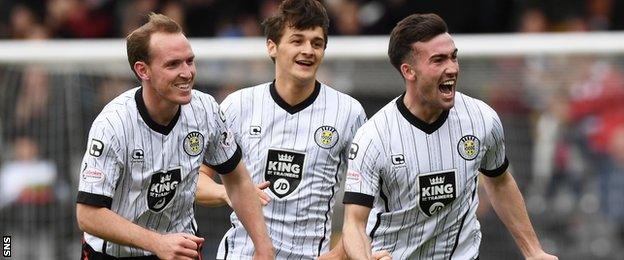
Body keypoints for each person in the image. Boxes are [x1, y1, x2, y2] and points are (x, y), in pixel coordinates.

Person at [341, 13, 558, 260]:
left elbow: (499, 181)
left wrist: (533, 252)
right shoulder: (374, 136)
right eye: (438, 60)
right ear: (409, 71)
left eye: (453, 57)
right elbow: (354, 224)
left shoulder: (481, 118)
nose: (452, 68)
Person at [195, 1, 388, 259]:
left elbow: (376, 203)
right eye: (297, 41)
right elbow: (196, 181)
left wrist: (338, 255)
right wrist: (229, 192)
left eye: (316, 43)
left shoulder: (349, 112)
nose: (308, 50)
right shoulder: (237, 106)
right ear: (272, 46)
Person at [75, 13, 273, 259]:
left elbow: (239, 182)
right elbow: (88, 214)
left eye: (190, 61)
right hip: (114, 254)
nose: (187, 72)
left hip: (181, 250)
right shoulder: (113, 125)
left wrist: (264, 249)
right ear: (142, 70)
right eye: (173, 64)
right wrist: (157, 243)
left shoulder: (206, 110)